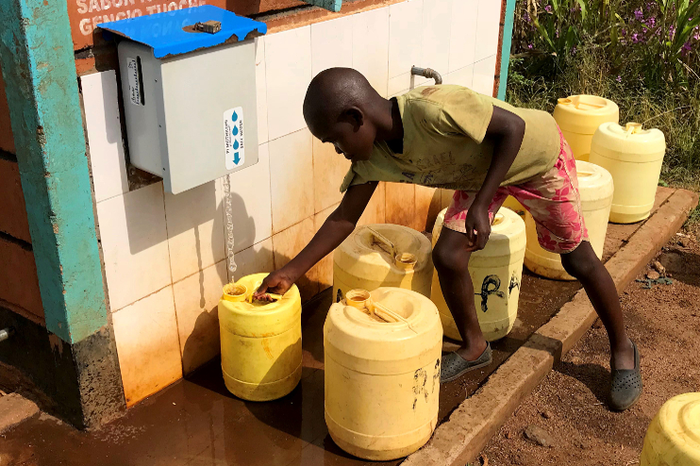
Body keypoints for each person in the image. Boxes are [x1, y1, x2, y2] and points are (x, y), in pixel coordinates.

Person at [254, 67, 642, 411]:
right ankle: (475, 347)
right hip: (480, 176)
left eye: (334, 141)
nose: (338, 151)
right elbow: (343, 220)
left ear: (355, 118)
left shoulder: (432, 109)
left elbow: (513, 129)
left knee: (577, 260)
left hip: (535, 158)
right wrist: (290, 272)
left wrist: (483, 203)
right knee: (450, 253)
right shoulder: (371, 159)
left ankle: (623, 348)